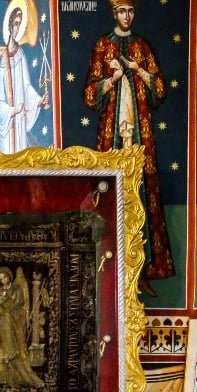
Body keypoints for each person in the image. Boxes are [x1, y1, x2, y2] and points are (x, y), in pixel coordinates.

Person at [83, 0, 174, 296]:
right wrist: (112, 79)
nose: (127, 16)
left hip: (139, 136)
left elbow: (159, 89)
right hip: (112, 136)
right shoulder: (103, 46)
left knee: (142, 195)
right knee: (110, 195)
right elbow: (89, 95)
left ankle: (142, 271)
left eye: (131, 11)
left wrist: (139, 71)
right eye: (122, 11)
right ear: (114, 13)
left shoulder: (142, 47)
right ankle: (111, 273)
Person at [0, 4, 48, 154]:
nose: (17, 28)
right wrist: (11, 111)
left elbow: (26, 85)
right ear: (10, 26)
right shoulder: (2, 57)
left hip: (20, 119)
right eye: (16, 23)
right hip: (9, 119)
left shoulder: (20, 54)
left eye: (20, 24)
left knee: (21, 154)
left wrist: (38, 101)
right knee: (9, 155)